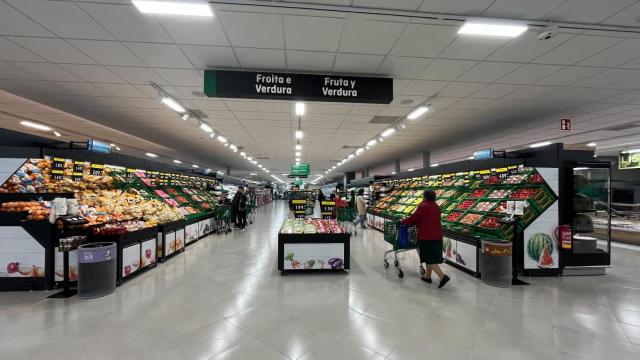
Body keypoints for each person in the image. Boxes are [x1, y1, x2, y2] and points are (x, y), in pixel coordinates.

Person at [401, 190, 450, 289]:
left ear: (425, 197)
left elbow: (415, 218)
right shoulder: (436, 206)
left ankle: (442, 276)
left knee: (429, 258)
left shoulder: (423, 206)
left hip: (427, 236)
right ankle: (428, 277)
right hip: (437, 236)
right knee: (430, 257)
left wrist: (403, 222)